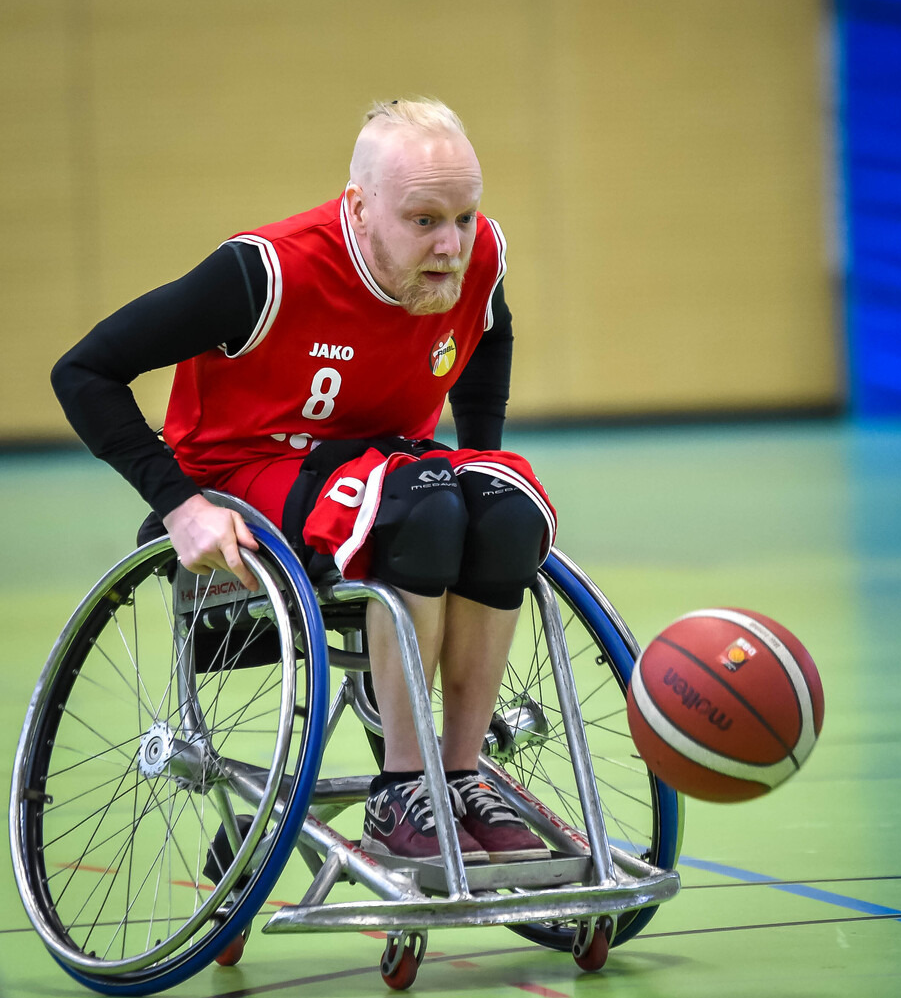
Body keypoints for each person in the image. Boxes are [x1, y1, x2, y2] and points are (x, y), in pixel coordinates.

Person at [51, 98, 556, 865]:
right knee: (419, 510)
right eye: (424, 221)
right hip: (244, 472)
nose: (452, 244)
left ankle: (459, 775)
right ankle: (400, 793)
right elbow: (82, 372)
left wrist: (480, 458)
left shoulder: (475, 252)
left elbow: (488, 328)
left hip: (384, 469)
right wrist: (178, 504)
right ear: (359, 207)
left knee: (507, 510)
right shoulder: (266, 271)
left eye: (465, 216)